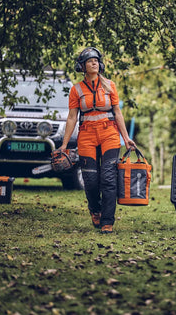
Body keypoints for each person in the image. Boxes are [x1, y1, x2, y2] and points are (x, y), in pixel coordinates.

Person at [58, 47, 135, 234]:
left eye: (96, 60)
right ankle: (95, 209)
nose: (94, 63)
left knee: (108, 179)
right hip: (86, 136)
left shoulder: (110, 85)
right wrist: (64, 145)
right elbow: (71, 118)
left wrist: (126, 138)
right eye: (90, 61)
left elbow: (117, 112)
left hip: (109, 134)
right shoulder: (76, 90)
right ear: (82, 66)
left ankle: (107, 221)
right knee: (90, 180)